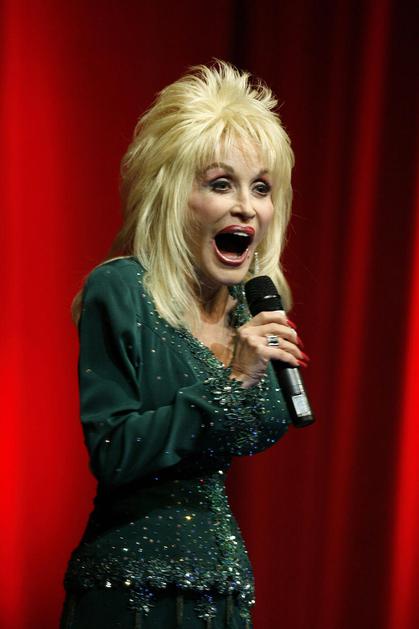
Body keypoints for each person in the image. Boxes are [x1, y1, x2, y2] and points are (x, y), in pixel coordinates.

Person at [60, 61, 307, 629]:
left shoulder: (251, 313)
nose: (247, 206)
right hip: (132, 590)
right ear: (174, 196)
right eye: (221, 184)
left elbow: (267, 424)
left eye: (261, 188)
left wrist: (248, 374)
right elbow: (113, 451)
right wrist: (231, 381)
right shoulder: (122, 289)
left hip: (223, 594)